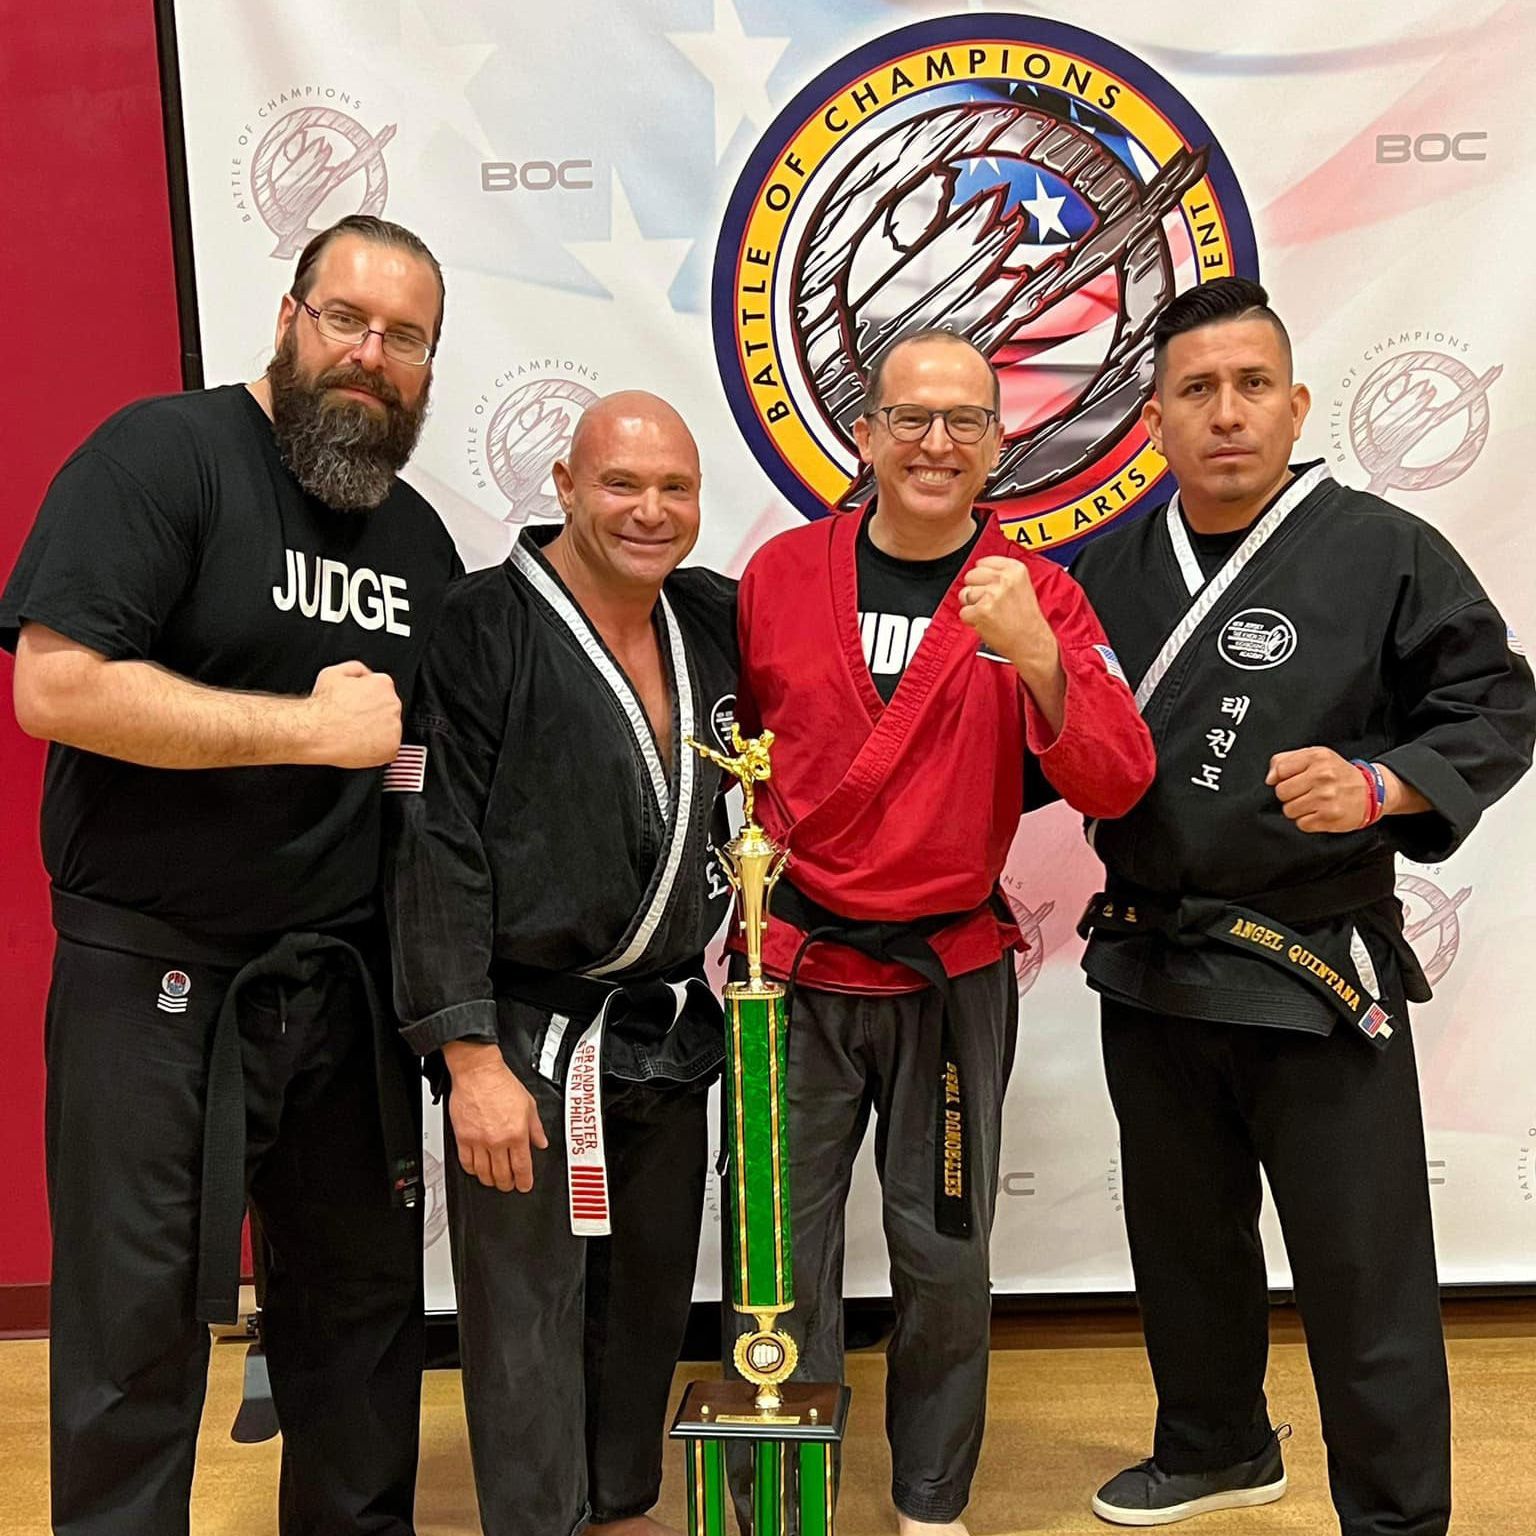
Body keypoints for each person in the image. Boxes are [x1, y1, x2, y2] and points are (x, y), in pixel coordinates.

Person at [0, 214, 461, 1536]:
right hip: (155, 969)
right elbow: (57, 684)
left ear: (430, 366)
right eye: (348, 320)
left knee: (362, 1326)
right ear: (289, 315)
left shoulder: (417, 544)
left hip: (340, 987)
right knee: (134, 1337)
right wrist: (303, 732)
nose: (371, 356)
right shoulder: (165, 455)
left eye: (404, 337)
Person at [1070, 276, 1536, 1534]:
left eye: (1252, 386)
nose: (1227, 413)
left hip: (1318, 965)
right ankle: (1215, 1444)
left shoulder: (1382, 549)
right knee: (1183, 1240)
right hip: (1152, 959)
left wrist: (1383, 784)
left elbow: (1496, 703)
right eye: (1196, 390)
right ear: (1154, 418)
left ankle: (1393, 1515)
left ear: (1296, 406)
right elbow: (1043, 742)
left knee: (1361, 1265)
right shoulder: (1099, 570)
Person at [729, 329, 1157, 1534]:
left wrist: (1034, 655)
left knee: (944, 1257)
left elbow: (1121, 780)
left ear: (998, 444)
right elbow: (746, 760)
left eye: (963, 420)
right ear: (861, 435)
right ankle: (781, 1499)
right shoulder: (777, 576)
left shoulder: (1042, 594)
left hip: (951, 972)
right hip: (798, 969)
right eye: (909, 417)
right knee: (778, 1256)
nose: (934, 442)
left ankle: (930, 1501)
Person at [383, 392, 737, 1536]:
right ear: (566, 486)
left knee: (643, 1301)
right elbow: (433, 837)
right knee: (527, 1315)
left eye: (673, 487)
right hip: (528, 1036)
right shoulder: (482, 625)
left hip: (667, 1026)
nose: (649, 510)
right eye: (621, 484)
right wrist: (469, 1053)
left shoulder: (716, 620)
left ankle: (622, 1505)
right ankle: (536, 1521)